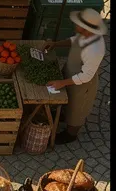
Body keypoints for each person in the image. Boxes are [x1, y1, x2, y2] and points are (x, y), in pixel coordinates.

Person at [42, 8, 108, 145]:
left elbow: (86, 76)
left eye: (78, 24)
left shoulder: (95, 49)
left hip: (83, 83)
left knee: (77, 109)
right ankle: (63, 115)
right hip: (72, 72)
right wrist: (56, 44)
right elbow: (74, 40)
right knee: (68, 99)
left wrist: (62, 83)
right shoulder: (85, 35)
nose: (75, 25)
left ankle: (70, 134)